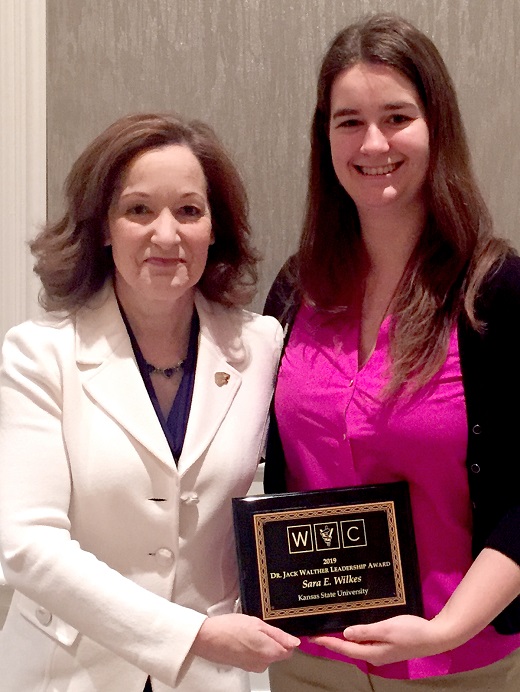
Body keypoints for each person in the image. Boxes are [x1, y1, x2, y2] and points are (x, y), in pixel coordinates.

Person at [263, 12, 520, 692]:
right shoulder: (295, 288)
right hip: (309, 662)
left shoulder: (496, 290)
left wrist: (446, 629)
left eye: (397, 117)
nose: (373, 142)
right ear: (324, 139)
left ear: (436, 126)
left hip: (455, 664)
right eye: (349, 121)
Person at [0, 112, 299, 692]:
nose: (167, 234)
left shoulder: (260, 345)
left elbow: (276, 491)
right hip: (66, 672)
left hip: (218, 679)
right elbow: (26, 543)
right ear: (104, 226)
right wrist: (191, 636)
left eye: (189, 210)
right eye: (139, 210)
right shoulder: (39, 355)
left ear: (215, 229)